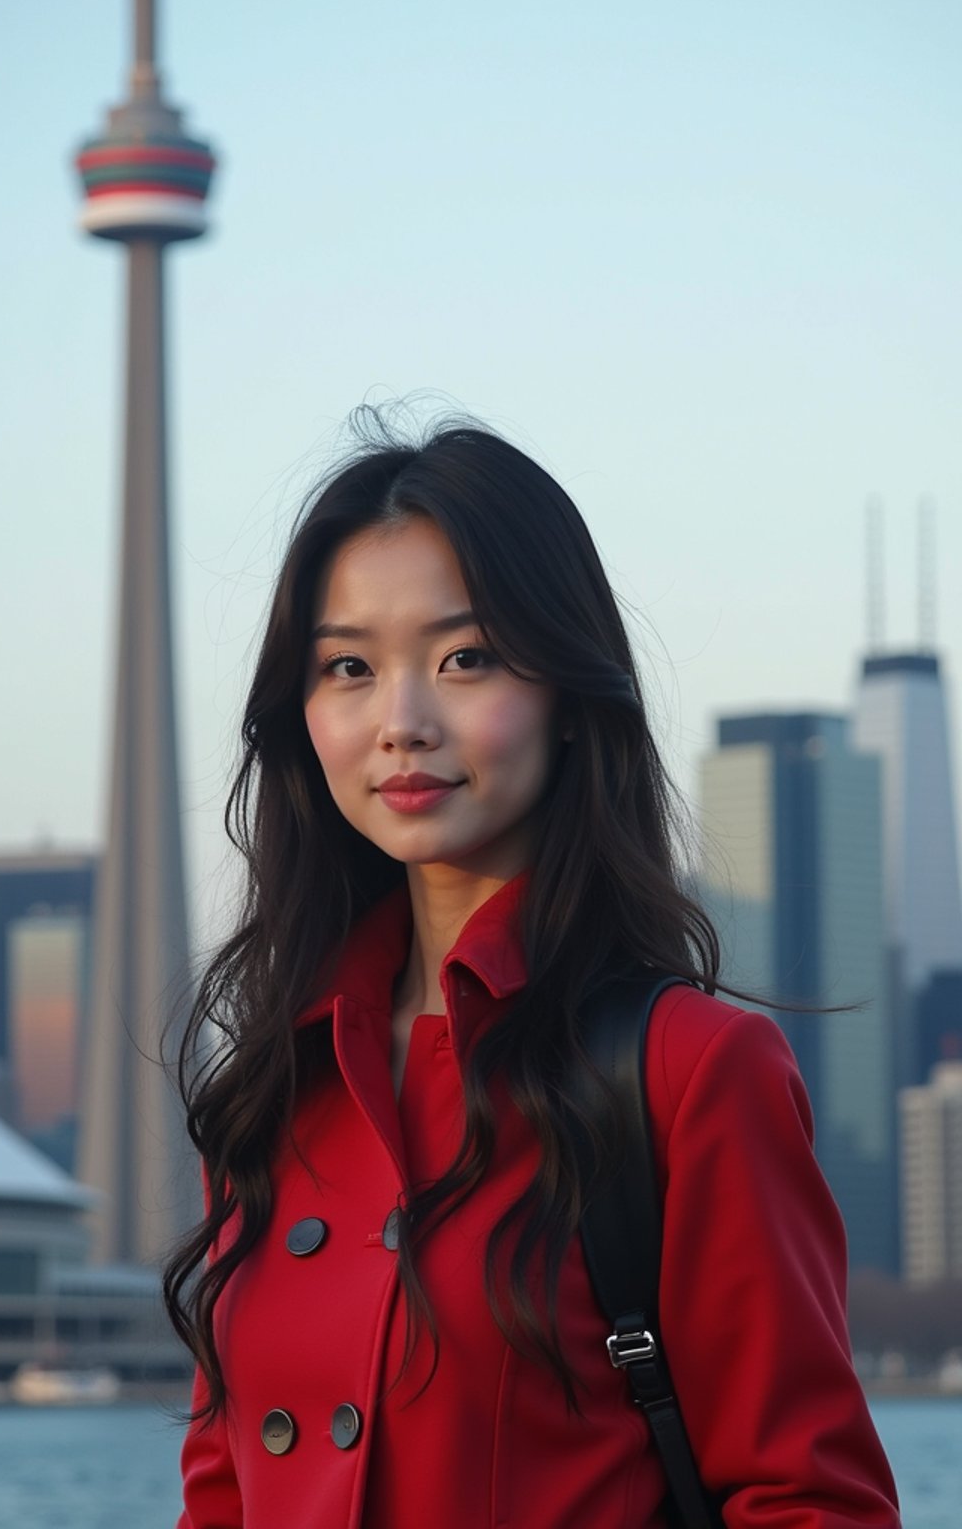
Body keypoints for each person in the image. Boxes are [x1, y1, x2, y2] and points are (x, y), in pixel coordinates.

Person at [166, 415, 900, 1528]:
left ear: (565, 692)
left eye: (466, 658)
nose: (401, 723)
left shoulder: (688, 1072)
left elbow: (810, 1502)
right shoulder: (275, 1089)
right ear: (300, 715)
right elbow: (220, 1495)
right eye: (349, 668)